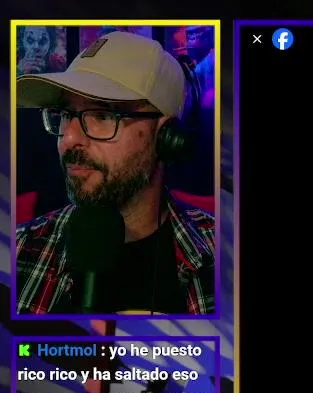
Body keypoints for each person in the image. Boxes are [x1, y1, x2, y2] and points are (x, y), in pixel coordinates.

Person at [15, 31, 215, 315]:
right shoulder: (20, 251)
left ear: (165, 137)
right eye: (66, 114)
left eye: (103, 115)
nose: (69, 139)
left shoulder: (220, 253)